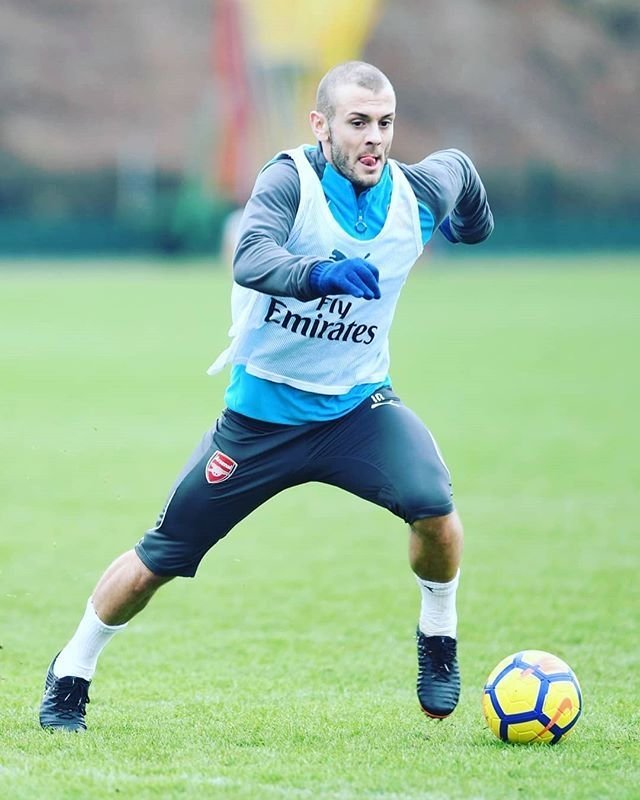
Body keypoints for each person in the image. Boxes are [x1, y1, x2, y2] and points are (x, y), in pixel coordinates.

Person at [39, 61, 493, 731]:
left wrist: (470, 228)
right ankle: (71, 671)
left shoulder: (415, 192)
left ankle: (439, 638)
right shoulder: (290, 180)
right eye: (358, 122)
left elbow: (461, 171)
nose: (374, 137)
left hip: (357, 411)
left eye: (385, 123)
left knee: (434, 504)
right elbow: (250, 256)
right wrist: (318, 275)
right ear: (320, 126)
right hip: (260, 422)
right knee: (159, 558)